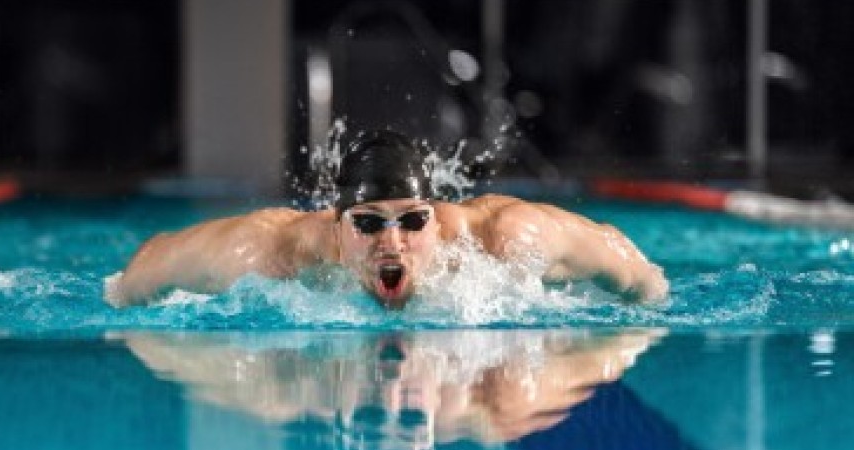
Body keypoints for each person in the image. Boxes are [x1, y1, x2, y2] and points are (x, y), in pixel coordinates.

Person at [106, 130, 668, 309]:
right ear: (335, 225)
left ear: (437, 218)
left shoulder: (504, 240)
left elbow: (638, 273)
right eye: (369, 224)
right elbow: (143, 268)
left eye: (411, 221)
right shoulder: (270, 252)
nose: (391, 242)